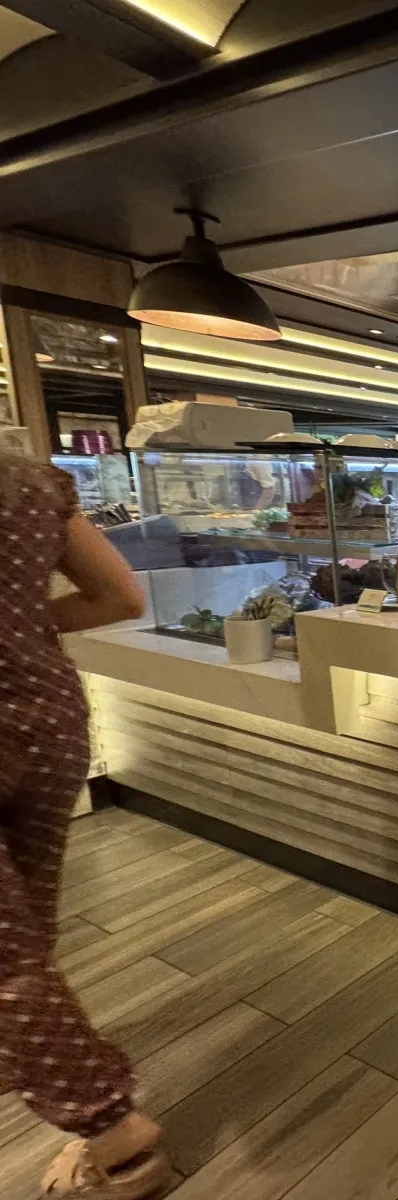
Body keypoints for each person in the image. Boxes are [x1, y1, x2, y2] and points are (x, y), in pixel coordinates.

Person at [0, 453, 166, 1198]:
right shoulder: (28, 480)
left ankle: (110, 1129)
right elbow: (119, 596)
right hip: (45, 718)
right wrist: (20, 628)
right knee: (24, 930)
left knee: (8, 955)